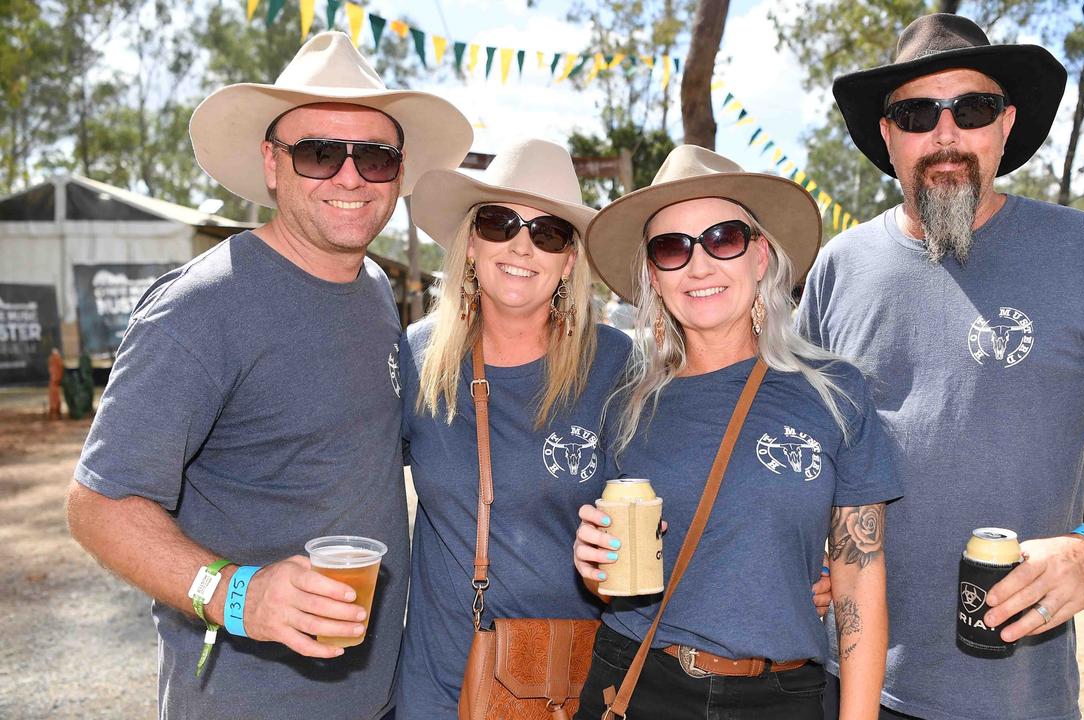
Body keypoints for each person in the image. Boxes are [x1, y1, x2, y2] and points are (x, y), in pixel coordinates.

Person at [805, 14, 1084, 720]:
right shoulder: (839, 267)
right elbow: (806, 441)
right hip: (849, 677)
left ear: (1005, 125)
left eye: (973, 108)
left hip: (1015, 689)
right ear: (888, 135)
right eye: (917, 113)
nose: (946, 133)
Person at [65, 32, 472, 720]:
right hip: (246, 701)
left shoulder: (374, 289)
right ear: (273, 164)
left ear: (397, 174)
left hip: (373, 697)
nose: (349, 177)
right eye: (319, 153)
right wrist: (239, 595)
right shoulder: (202, 306)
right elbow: (97, 507)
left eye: (374, 156)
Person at [573, 145, 901, 720]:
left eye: (723, 238)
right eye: (671, 248)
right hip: (633, 684)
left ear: (761, 256)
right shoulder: (627, 402)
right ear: (653, 274)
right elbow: (618, 577)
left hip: (780, 696)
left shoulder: (832, 390)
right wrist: (594, 568)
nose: (699, 265)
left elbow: (859, 578)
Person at [394, 137, 632, 717]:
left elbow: (672, 494)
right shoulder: (418, 356)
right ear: (471, 243)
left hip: (567, 683)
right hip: (440, 683)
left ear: (569, 259)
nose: (522, 245)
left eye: (548, 232)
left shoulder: (615, 363)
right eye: (500, 223)